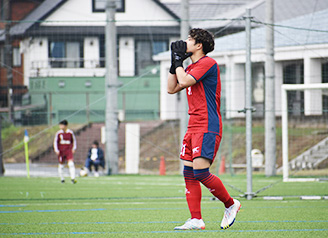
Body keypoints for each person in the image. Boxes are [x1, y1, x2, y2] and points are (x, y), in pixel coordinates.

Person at [167, 28, 241, 230]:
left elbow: (183, 82)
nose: (186, 42)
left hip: (207, 125)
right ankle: (196, 219)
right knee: (188, 172)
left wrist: (178, 62)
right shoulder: (189, 68)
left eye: (190, 39)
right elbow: (171, 88)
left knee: (200, 173)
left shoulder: (208, 63)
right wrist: (174, 64)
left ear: (199, 45)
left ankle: (231, 204)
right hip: (193, 125)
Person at [53, 120, 77, 184]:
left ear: (66, 126)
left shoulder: (70, 133)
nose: (60, 126)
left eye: (61, 125)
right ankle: (62, 179)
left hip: (68, 150)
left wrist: (74, 148)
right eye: (60, 125)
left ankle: (73, 178)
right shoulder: (58, 133)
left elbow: (73, 141)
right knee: (61, 165)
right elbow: (55, 142)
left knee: (71, 164)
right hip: (61, 151)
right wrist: (56, 150)